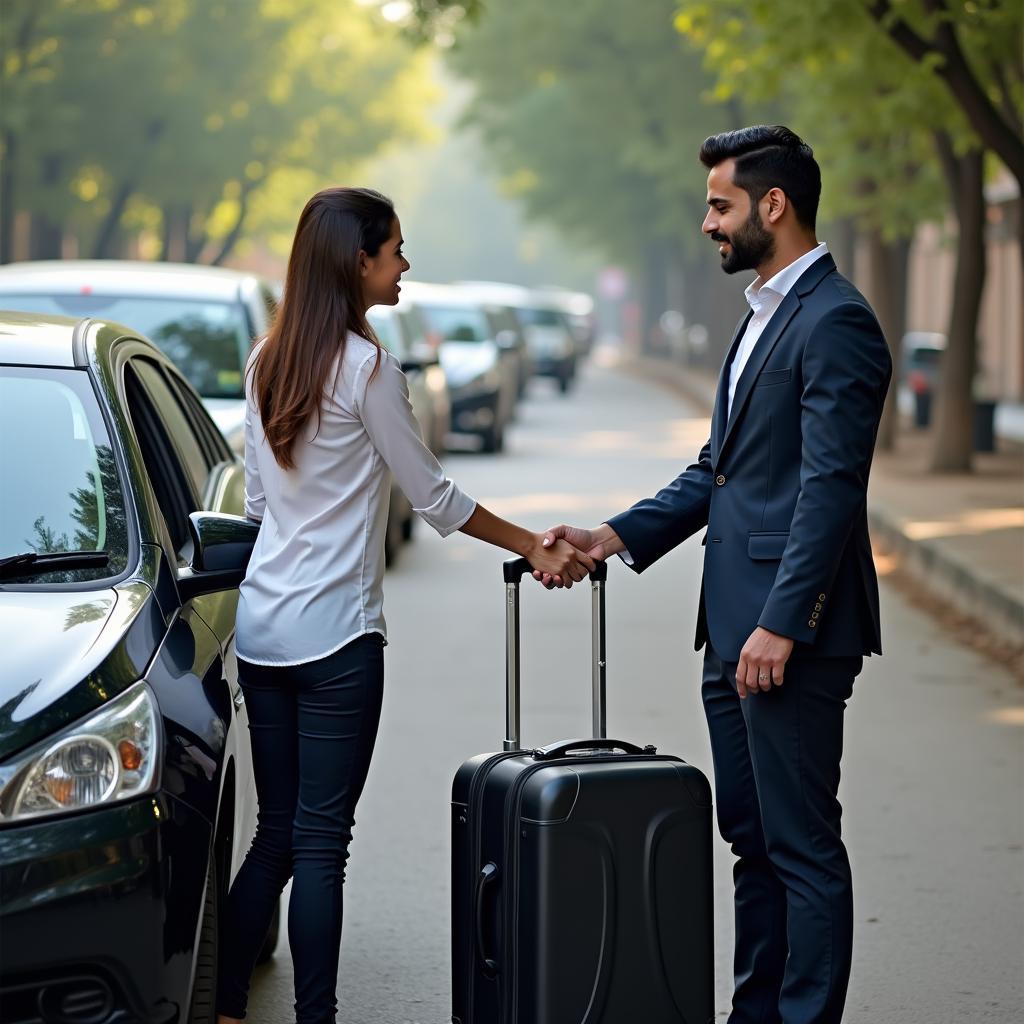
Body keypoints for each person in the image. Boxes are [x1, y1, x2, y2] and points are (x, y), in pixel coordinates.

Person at [536, 126, 892, 1024]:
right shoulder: (761, 318)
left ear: (774, 206)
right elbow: (718, 470)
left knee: (801, 846)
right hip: (730, 628)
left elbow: (830, 490)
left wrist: (785, 622)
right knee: (752, 844)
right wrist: (613, 535)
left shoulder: (836, 319)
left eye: (720, 205)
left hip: (787, 634)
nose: (707, 224)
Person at [215, 186, 593, 1024]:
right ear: (357, 262)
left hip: (265, 632)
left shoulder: (266, 358)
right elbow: (434, 496)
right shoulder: (367, 367)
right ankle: (317, 1017)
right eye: (394, 250)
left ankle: (227, 1006)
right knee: (321, 846)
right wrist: (531, 543)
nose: (404, 265)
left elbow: (254, 511)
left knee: (274, 836)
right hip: (338, 639)